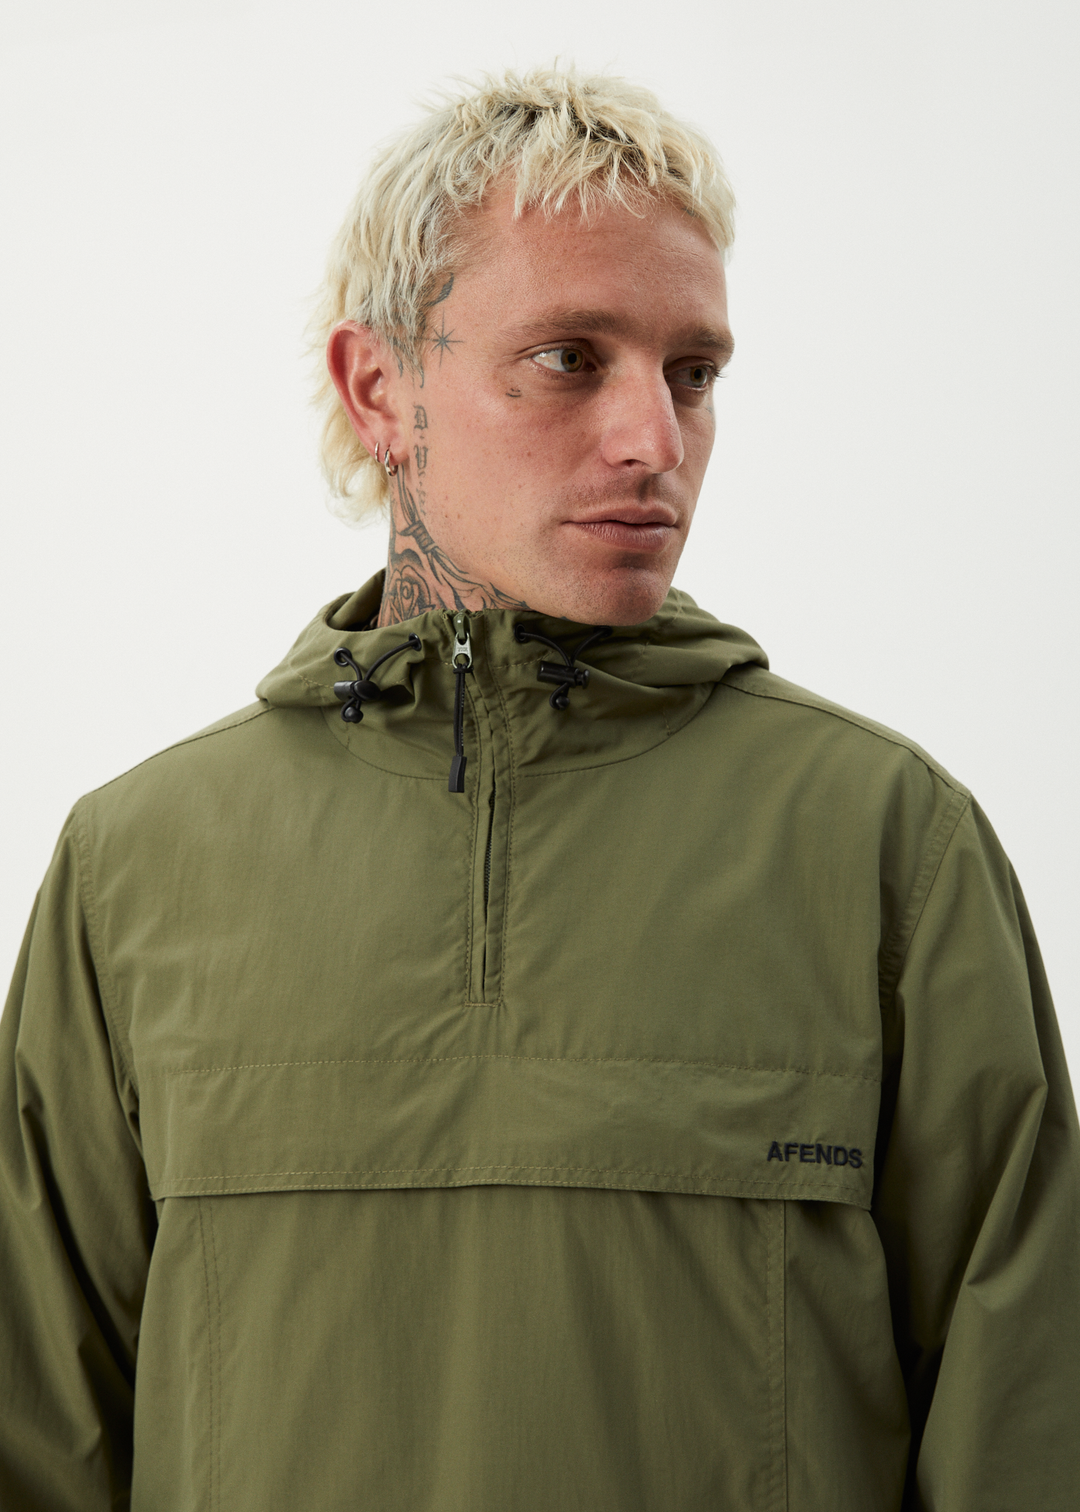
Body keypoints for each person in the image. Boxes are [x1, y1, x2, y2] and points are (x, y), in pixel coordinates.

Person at [1, 65, 1077, 1512]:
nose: (655, 441)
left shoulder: (889, 844)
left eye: (693, 373)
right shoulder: (136, 867)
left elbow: (1028, 1431)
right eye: (570, 357)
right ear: (380, 389)